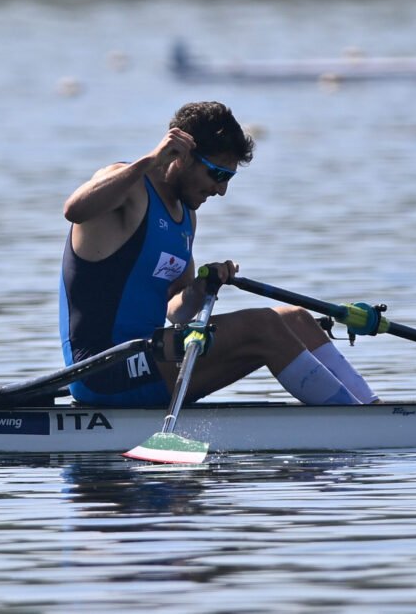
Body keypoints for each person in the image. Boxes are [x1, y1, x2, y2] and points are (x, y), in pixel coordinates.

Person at [59, 101, 378, 408]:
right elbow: (75, 209)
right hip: (102, 371)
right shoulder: (128, 185)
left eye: (229, 178)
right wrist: (152, 159)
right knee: (263, 326)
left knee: (295, 318)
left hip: (149, 355)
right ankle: (357, 424)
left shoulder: (185, 215)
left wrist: (200, 288)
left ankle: (371, 409)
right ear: (181, 157)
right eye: (218, 175)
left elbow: (177, 312)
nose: (222, 190)